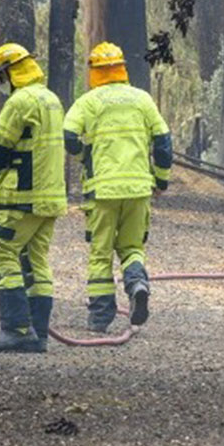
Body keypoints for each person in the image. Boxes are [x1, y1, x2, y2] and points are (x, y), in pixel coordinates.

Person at [63, 42, 171, 333]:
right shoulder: (142, 99)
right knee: (132, 247)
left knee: (101, 252)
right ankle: (136, 284)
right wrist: (161, 180)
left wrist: (85, 156)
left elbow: (69, 136)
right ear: (122, 68)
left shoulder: (88, 102)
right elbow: (163, 142)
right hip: (138, 189)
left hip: (103, 192)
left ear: (94, 71)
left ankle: (100, 316)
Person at [0, 43, 68, 353]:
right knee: (35, 259)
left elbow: (0, 150)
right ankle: (38, 334)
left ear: (11, 73)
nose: (0, 85)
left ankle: (15, 330)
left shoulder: (19, 102)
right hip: (50, 199)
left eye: (0, 78)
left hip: (21, 198)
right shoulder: (51, 99)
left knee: (1, 252)